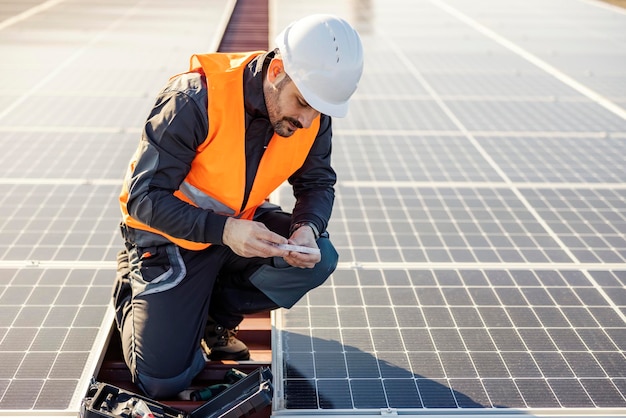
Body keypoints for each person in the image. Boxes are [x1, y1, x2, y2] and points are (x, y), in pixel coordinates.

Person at [111, 14, 364, 398]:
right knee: (163, 382)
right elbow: (144, 198)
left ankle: (215, 318)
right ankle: (134, 283)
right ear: (277, 70)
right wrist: (226, 231)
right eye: (303, 103)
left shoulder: (311, 115)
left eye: (318, 110)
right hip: (169, 239)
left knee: (320, 257)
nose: (308, 119)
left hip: (237, 230)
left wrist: (306, 229)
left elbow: (316, 181)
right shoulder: (193, 100)